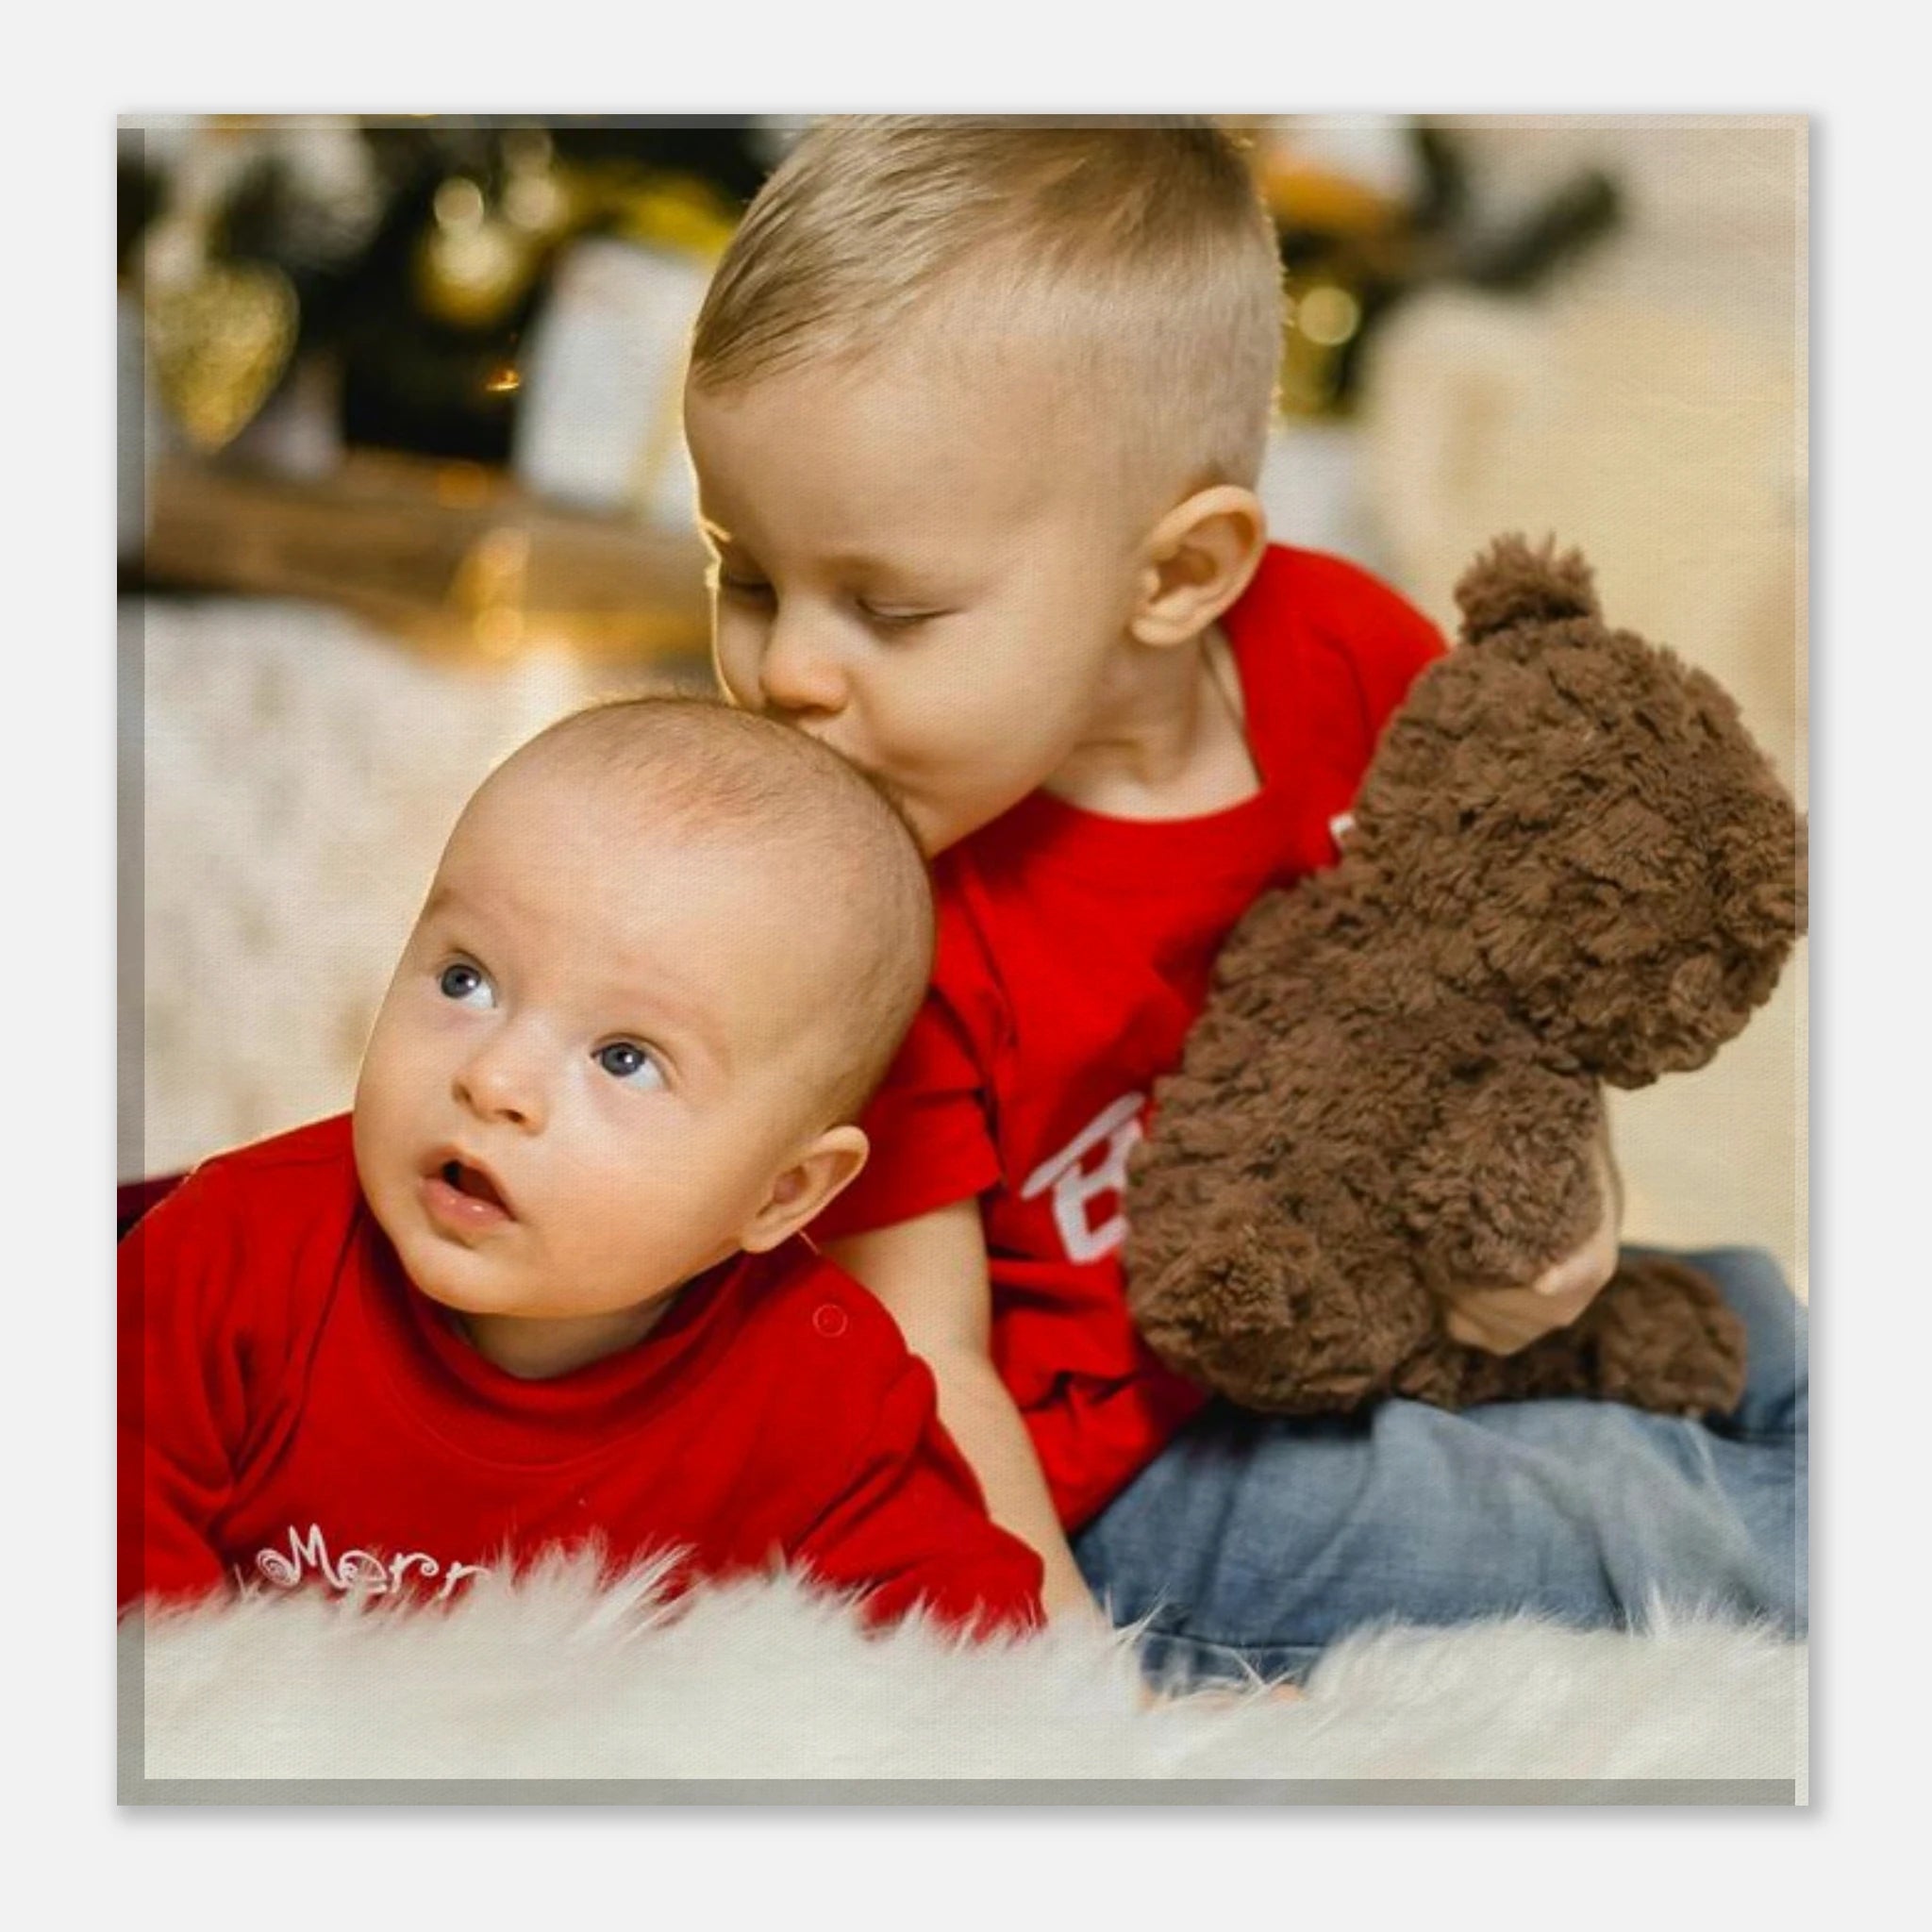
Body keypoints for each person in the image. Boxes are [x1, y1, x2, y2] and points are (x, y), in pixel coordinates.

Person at [679, 116, 1805, 1685]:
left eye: (887, 606)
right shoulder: (868, 907)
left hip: (1382, 1318)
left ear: (1176, 573)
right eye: (744, 576)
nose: (787, 668)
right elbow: (921, 1362)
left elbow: (1514, 986)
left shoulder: (1341, 655)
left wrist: (1567, 1223)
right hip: (1136, 1480)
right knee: (1601, 1512)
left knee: (1748, 1307)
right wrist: (1059, 1676)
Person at [119, 696, 1045, 1639]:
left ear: (780, 1192)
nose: (494, 1078)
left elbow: (974, 1658)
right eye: (464, 979)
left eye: (624, 1057)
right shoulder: (229, 1254)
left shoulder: (822, 1388)